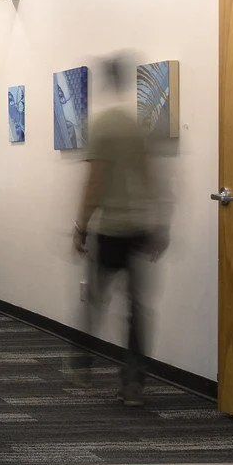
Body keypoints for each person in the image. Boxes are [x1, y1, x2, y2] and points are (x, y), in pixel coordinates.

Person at [73, 56, 165, 404]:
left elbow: (94, 182)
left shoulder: (102, 125)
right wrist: (158, 222)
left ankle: (83, 360)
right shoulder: (136, 125)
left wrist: (81, 226)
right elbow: (150, 176)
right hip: (138, 227)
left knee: (96, 299)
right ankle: (133, 385)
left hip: (110, 228)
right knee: (137, 308)